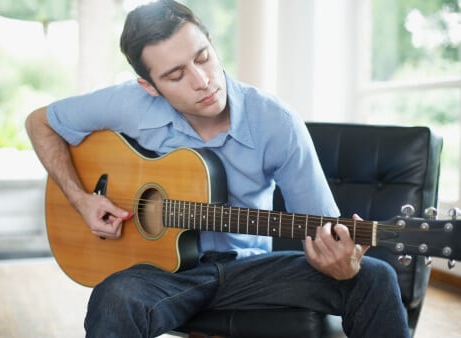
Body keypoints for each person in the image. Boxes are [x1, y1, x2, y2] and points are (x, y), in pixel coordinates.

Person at [25, 1, 410, 337]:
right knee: (114, 297)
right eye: (176, 75)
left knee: (374, 278)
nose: (202, 81)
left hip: (251, 271)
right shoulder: (128, 103)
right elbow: (40, 122)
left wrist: (339, 261)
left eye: (203, 56)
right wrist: (80, 200)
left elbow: (325, 227)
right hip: (160, 275)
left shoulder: (275, 122)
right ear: (149, 86)